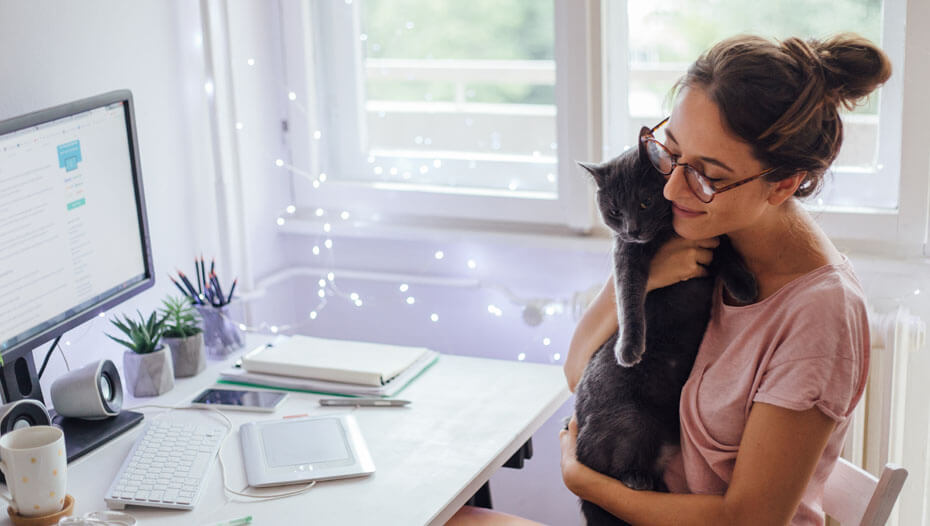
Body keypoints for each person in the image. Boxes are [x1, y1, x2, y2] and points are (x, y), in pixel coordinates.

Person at [449, 32, 891, 526]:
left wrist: (586, 484)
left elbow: (749, 519)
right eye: (670, 151)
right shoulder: (692, 233)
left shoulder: (818, 316)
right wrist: (644, 281)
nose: (674, 185)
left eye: (708, 174)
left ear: (783, 183)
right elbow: (579, 371)